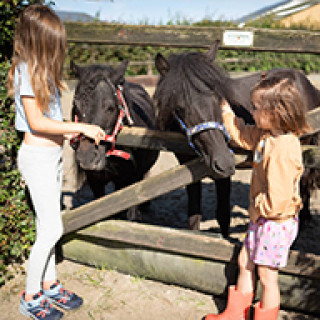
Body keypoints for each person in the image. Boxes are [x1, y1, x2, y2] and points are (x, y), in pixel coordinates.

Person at [7, 4, 106, 320]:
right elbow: (36, 123)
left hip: (50, 157)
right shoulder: (25, 72)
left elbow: (50, 121)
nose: (59, 50)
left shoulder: (42, 74)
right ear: (39, 41)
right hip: (36, 158)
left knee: (45, 226)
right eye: (54, 43)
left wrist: (67, 135)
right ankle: (31, 295)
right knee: (52, 229)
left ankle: (49, 284)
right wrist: (80, 127)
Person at [204, 75, 310, 320]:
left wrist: (258, 208)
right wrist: (225, 110)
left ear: (275, 112)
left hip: (275, 221)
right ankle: (235, 313)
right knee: (245, 262)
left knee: (267, 276)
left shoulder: (284, 148)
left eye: (256, 107)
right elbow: (241, 134)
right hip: (262, 218)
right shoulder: (266, 136)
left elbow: (280, 200)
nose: (251, 112)